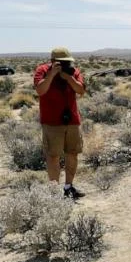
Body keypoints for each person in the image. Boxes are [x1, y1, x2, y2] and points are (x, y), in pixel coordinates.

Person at [33, 47, 86, 199]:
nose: (66, 65)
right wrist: (52, 75)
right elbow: (40, 90)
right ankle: (54, 192)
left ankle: (68, 187)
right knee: (53, 156)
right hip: (51, 122)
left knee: (73, 153)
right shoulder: (42, 70)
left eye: (67, 62)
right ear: (53, 62)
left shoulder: (73, 71)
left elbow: (81, 90)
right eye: (62, 63)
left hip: (72, 120)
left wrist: (68, 77)